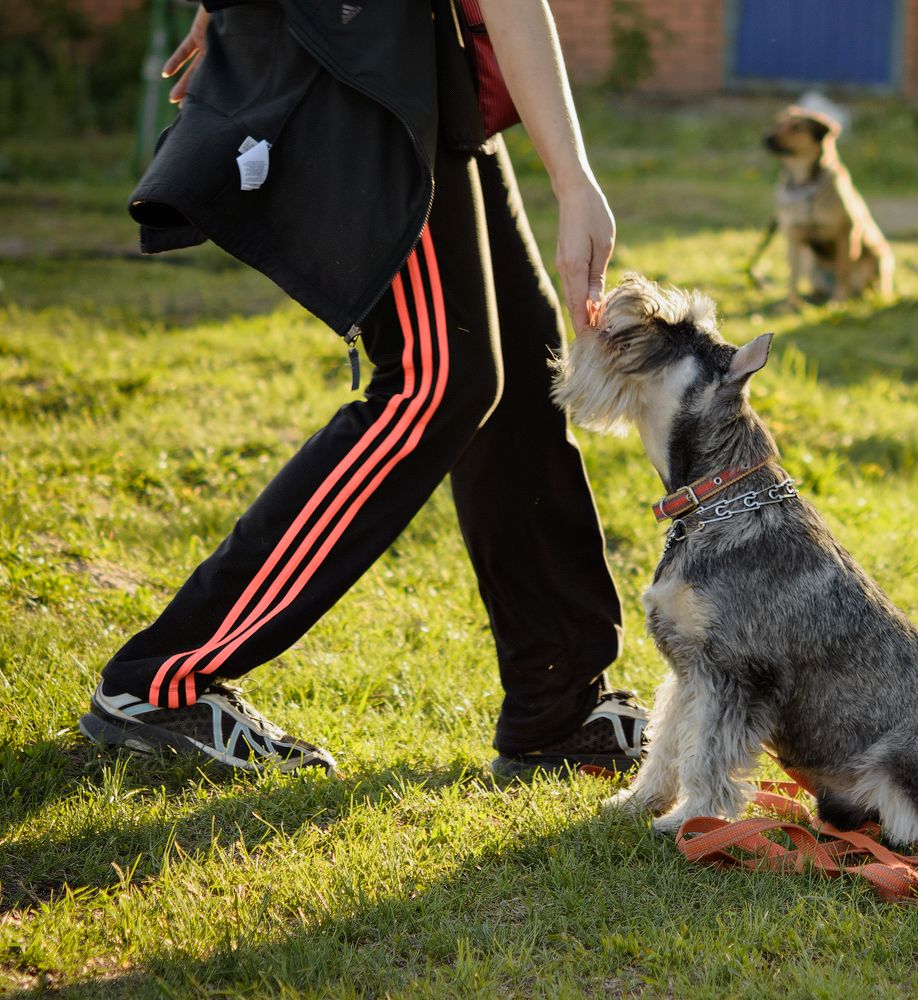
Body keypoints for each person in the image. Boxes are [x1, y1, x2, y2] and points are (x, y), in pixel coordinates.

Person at [78, 0, 646, 779]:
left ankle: (560, 705)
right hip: (358, 58)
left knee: (516, 362)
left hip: (414, 49)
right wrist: (574, 182)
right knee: (439, 380)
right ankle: (161, 682)